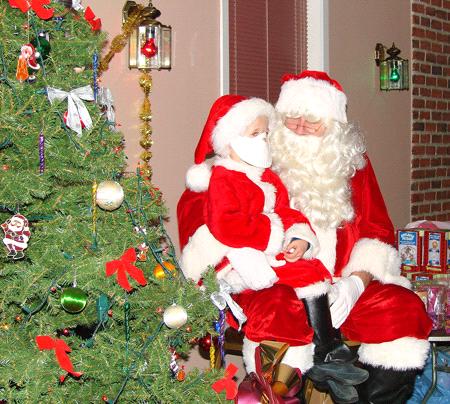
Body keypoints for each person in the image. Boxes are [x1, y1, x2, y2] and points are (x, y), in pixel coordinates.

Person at [177, 95, 368, 403]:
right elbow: (225, 226)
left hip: (270, 253)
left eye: (265, 133)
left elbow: (287, 212)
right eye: (255, 134)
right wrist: (275, 236)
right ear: (230, 141)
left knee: (311, 270)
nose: (263, 140)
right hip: (242, 264)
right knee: (292, 292)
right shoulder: (223, 178)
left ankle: (327, 351)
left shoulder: (267, 176)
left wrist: (299, 237)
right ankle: (316, 358)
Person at [269, 70, 433, 403]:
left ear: (334, 124)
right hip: (283, 286)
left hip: (344, 284)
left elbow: (377, 228)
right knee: (282, 321)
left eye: (312, 120)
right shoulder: (262, 162)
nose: (300, 126)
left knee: (403, 309)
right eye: (292, 117)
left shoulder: (353, 164)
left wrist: (355, 283)